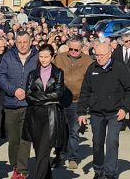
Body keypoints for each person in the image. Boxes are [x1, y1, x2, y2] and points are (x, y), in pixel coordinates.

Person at [78, 42, 130, 179]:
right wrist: (81, 112)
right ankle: (98, 171)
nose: (98, 58)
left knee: (111, 142)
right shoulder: (92, 68)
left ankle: (110, 173)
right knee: (97, 143)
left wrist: (124, 108)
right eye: (96, 55)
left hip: (115, 113)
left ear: (109, 54)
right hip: (96, 113)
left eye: (101, 55)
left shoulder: (120, 68)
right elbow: (85, 91)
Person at [0, 31, 38, 179]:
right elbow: (0, 76)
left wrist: (29, 92)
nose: (22, 45)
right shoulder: (8, 57)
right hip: (11, 104)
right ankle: (15, 165)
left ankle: (22, 170)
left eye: (25, 42)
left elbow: (42, 77)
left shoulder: (37, 57)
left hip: (29, 105)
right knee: (13, 139)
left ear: (30, 42)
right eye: (19, 42)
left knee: (25, 139)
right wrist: (14, 90)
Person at [24, 44, 66, 179]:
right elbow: (28, 96)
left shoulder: (58, 73)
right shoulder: (32, 74)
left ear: (52, 57)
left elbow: (58, 94)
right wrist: (47, 98)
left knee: (44, 150)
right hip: (34, 115)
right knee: (38, 151)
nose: (43, 59)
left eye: (46, 57)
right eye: (41, 56)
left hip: (51, 115)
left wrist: (38, 97)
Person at [53, 35, 92, 169]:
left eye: (76, 50)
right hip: (60, 100)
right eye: (71, 49)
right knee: (59, 131)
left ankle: (73, 157)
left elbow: (90, 82)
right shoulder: (59, 58)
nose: (73, 52)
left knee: (74, 131)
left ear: (82, 48)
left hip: (77, 101)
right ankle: (58, 155)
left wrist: (87, 103)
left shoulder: (88, 61)